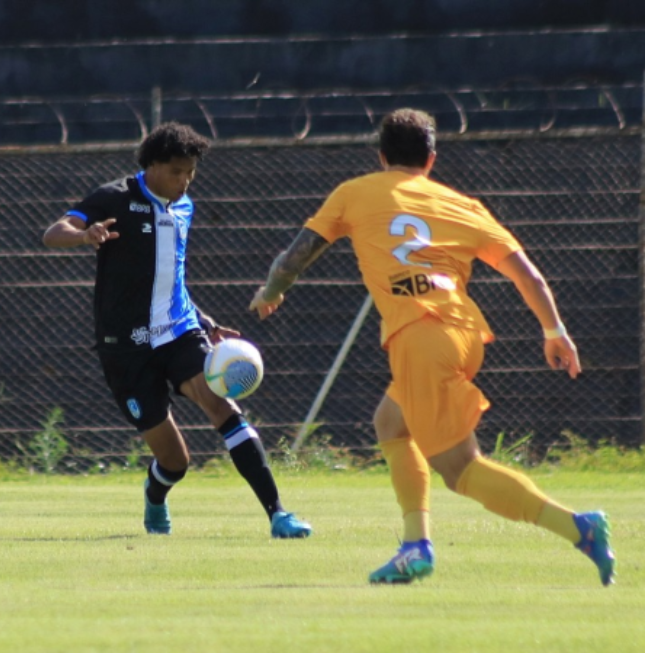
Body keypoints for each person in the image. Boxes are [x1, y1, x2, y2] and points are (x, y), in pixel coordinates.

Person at [249, 108, 616, 584]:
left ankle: (576, 527)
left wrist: (272, 291)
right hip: (463, 333)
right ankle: (415, 544)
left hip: (422, 337)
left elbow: (295, 256)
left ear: (382, 156)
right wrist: (554, 331)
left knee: (460, 470)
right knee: (391, 421)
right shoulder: (463, 204)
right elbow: (528, 275)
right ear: (431, 159)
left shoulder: (355, 192)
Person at [43, 121, 311, 538]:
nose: (185, 181)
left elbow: (171, 276)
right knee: (175, 461)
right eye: (176, 172)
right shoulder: (114, 198)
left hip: (178, 331)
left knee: (223, 406)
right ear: (151, 166)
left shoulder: (184, 208)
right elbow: (53, 233)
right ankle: (155, 497)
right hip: (126, 349)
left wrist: (203, 321)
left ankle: (279, 514)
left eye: (190, 172)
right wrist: (85, 235)